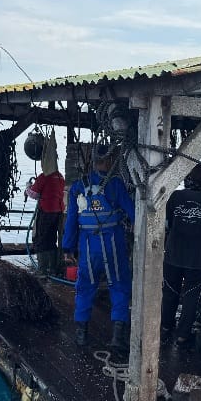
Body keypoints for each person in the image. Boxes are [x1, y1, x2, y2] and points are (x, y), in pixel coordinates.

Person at [62, 145, 135, 350]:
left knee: (85, 288)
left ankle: (81, 336)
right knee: (119, 286)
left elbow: (71, 222)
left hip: (88, 246)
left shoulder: (78, 187)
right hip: (113, 245)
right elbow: (133, 213)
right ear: (110, 160)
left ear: (92, 161)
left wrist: (68, 249)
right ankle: (117, 338)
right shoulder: (116, 185)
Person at [161, 164, 201, 347]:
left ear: (186, 176)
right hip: (197, 258)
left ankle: (165, 328)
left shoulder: (175, 197)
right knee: (190, 296)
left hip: (173, 255)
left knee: (170, 291)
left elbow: (165, 224)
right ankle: (182, 336)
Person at [25, 130, 65, 275]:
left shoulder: (44, 177)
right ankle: (53, 269)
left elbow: (34, 194)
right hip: (57, 213)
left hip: (46, 212)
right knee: (51, 240)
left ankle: (42, 270)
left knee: (41, 240)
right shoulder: (60, 176)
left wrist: (27, 188)